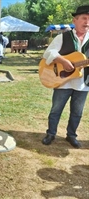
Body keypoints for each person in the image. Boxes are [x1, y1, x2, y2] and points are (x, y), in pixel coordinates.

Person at [41, 5, 89, 148]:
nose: (87, 22)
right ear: (75, 20)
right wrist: (62, 60)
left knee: (77, 112)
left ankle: (71, 135)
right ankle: (51, 133)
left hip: (83, 83)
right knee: (56, 109)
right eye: (84, 18)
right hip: (63, 81)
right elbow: (48, 54)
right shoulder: (63, 36)